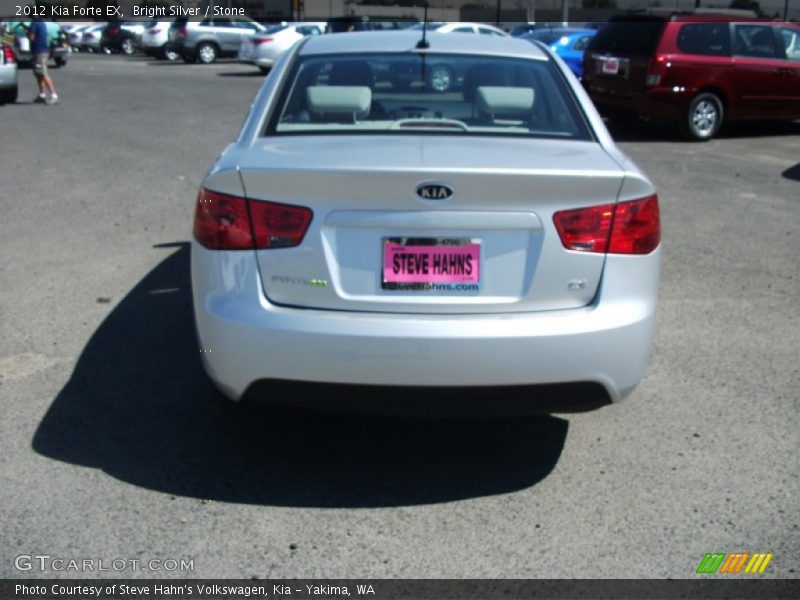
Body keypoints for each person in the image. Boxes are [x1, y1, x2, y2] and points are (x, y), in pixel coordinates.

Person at [28, 17, 58, 105]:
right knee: (38, 74)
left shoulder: (34, 23)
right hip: (43, 50)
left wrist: (27, 33)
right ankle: (42, 95)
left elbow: (31, 38)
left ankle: (54, 95)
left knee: (43, 73)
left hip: (39, 52)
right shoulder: (41, 22)